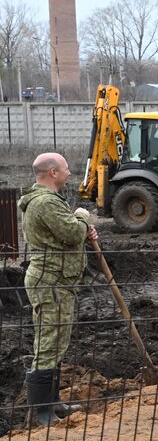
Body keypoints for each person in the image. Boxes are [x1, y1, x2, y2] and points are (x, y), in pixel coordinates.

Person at [19, 153, 96, 426]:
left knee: (57, 343)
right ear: (52, 172)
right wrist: (83, 218)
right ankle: (42, 412)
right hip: (50, 281)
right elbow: (72, 233)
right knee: (48, 343)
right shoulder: (46, 203)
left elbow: (67, 235)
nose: (69, 174)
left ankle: (52, 402)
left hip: (59, 281)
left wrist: (81, 227)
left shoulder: (49, 201)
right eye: (65, 169)